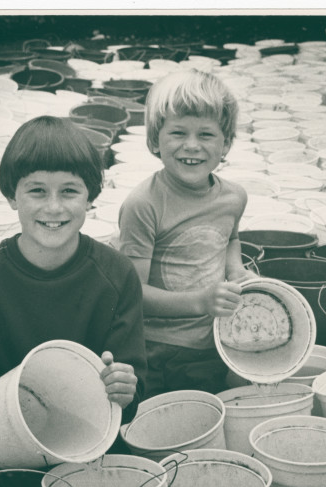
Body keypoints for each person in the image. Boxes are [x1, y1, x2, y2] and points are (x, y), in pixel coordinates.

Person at [0, 115, 147, 425]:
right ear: (11, 196)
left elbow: (132, 387)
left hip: (91, 429)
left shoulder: (118, 276)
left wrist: (124, 389)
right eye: (38, 191)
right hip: (5, 426)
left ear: (90, 197)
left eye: (69, 191)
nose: (54, 207)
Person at [117, 69, 251, 396]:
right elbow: (132, 292)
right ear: (154, 140)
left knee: (203, 417)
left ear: (226, 143)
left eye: (206, 135)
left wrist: (235, 270)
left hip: (212, 341)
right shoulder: (143, 204)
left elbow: (230, 238)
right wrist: (200, 302)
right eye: (178, 132)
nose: (191, 146)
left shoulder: (233, 197)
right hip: (155, 348)